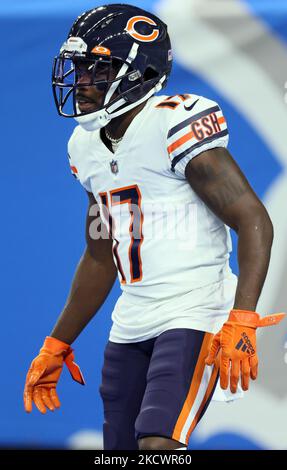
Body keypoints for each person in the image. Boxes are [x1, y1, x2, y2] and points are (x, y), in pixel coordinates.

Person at [23, 4, 285, 451]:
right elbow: (100, 253)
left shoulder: (172, 122)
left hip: (196, 310)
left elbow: (252, 218)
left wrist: (243, 318)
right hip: (131, 321)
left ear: (140, 73)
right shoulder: (84, 145)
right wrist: (56, 341)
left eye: (97, 69)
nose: (82, 82)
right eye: (79, 69)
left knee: (158, 446)